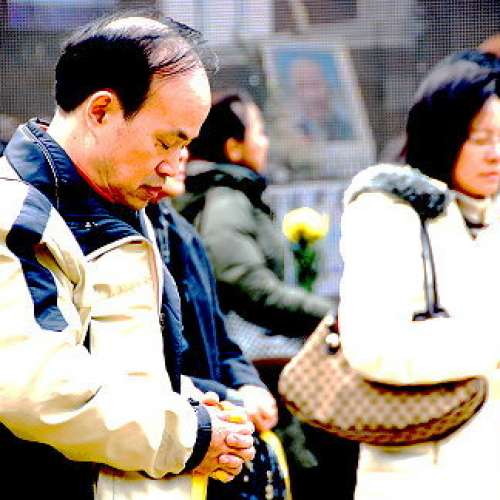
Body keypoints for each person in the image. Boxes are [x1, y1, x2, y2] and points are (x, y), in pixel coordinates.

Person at [0, 14, 255, 499]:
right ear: (101, 111)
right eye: (165, 142)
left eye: (184, 145)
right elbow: (39, 390)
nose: (173, 165)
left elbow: (120, 370)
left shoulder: (124, 207)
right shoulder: (17, 213)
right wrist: (192, 435)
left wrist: (192, 404)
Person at [174, 90, 355, 500]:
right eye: (259, 131)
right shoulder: (226, 200)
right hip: (253, 368)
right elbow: (243, 281)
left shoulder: (230, 195)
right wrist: (328, 314)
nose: (266, 142)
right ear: (233, 147)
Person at [339, 52, 500, 500]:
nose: (496, 154)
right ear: (443, 133)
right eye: (481, 139)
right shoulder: (389, 211)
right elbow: (373, 346)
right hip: (418, 473)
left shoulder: (491, 215)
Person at [147, 148, 287, 499]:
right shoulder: (127, 234)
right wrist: (230, 396)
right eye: (166, 142)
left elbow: (220, 336)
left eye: (184, 143)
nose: (182, 156)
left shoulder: (181, 231)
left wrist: (248, 384)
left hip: (212, 433)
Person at [288, 57, 354, 142]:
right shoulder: (294, 132)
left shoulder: (348, 129)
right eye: (302, 86)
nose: (311, 95)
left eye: (316, 84)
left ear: (328, 87)